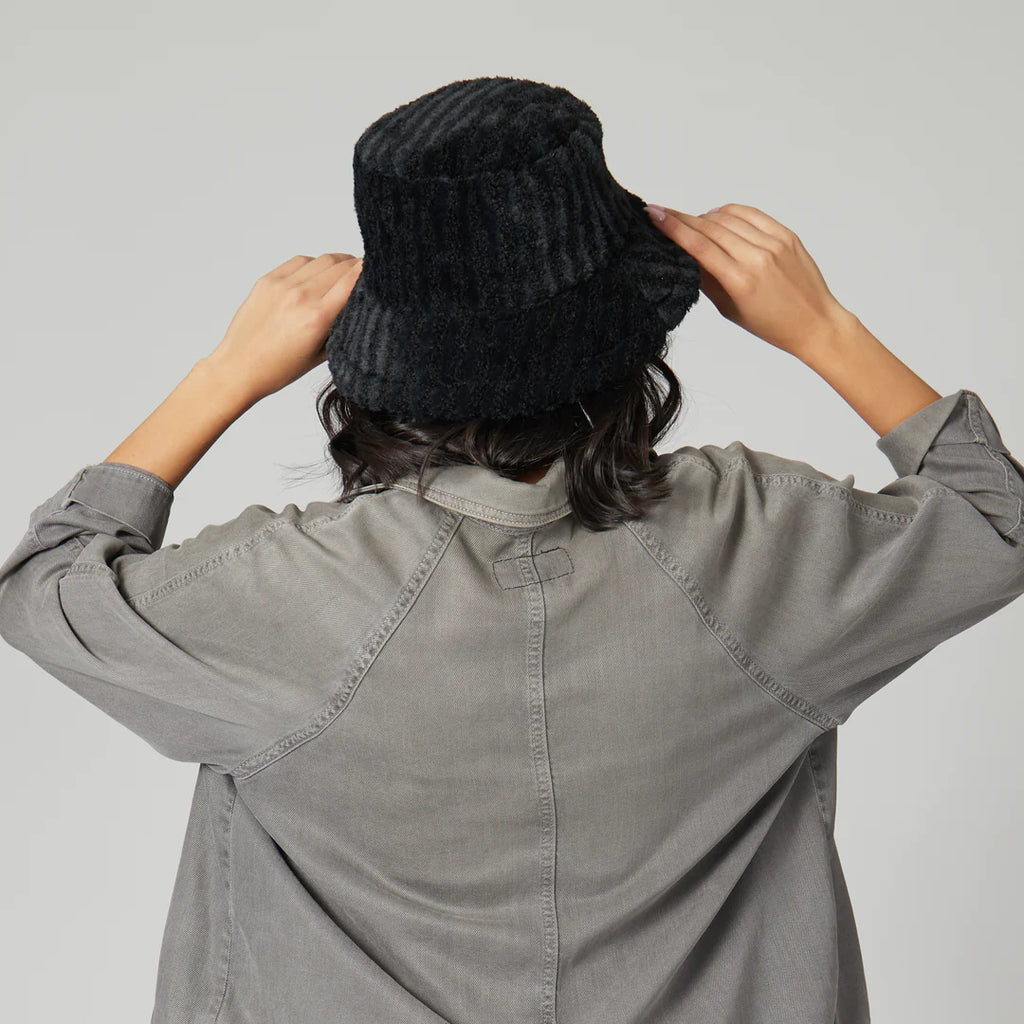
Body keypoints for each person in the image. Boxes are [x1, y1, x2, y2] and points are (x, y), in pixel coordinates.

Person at [2, 76, 1022, 1024]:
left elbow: (43, 585)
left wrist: (226, 371)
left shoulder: (283, 597)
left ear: (387, 345)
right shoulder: (755, 544)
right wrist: (824, 327)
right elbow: (997, 520)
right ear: (631, 327)